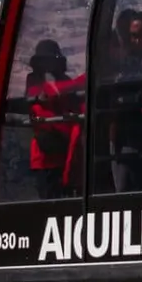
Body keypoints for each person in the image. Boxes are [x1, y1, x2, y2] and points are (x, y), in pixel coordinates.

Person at [23, 40, 82, 198]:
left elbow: (72, 102)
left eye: (51, 59)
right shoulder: (34, 80)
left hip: (66, 151)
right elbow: (32, 98)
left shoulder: (65, 80)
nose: (48, 63)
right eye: (44, 60)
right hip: (44, 154)